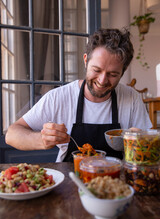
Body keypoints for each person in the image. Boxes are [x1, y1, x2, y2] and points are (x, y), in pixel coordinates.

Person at [5, 28, 152, 162]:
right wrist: (42, 139)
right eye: (96, 70)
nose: (102, 80)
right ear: (85, 60)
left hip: (117, 183)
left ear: (123, 72)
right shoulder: (59, 97)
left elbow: (150, 149)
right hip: (71, 181)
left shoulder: (132, 98)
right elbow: (11, 134)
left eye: (113, 74)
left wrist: (142, 140)